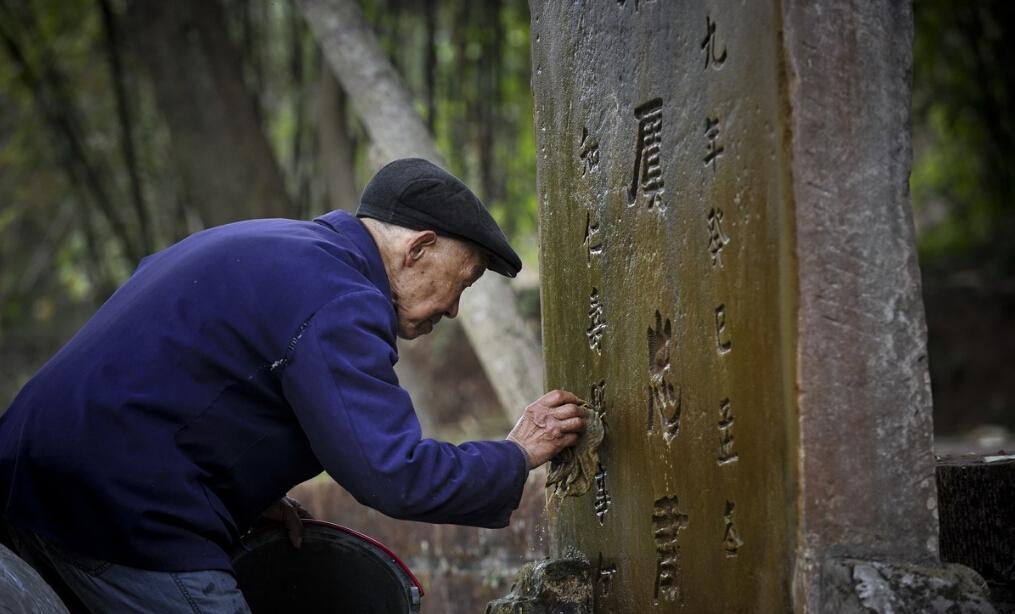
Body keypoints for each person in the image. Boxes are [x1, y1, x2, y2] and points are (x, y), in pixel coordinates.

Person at [0, 158, 585, 612]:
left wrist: (245, 497)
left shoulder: (279, 247)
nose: (454, 308)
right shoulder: (341, 297)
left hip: (26, 475)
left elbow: (182, 384)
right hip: (119, 509)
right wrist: (515, 455)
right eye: (464, 281)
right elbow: (391, 472)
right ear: (419, 247)